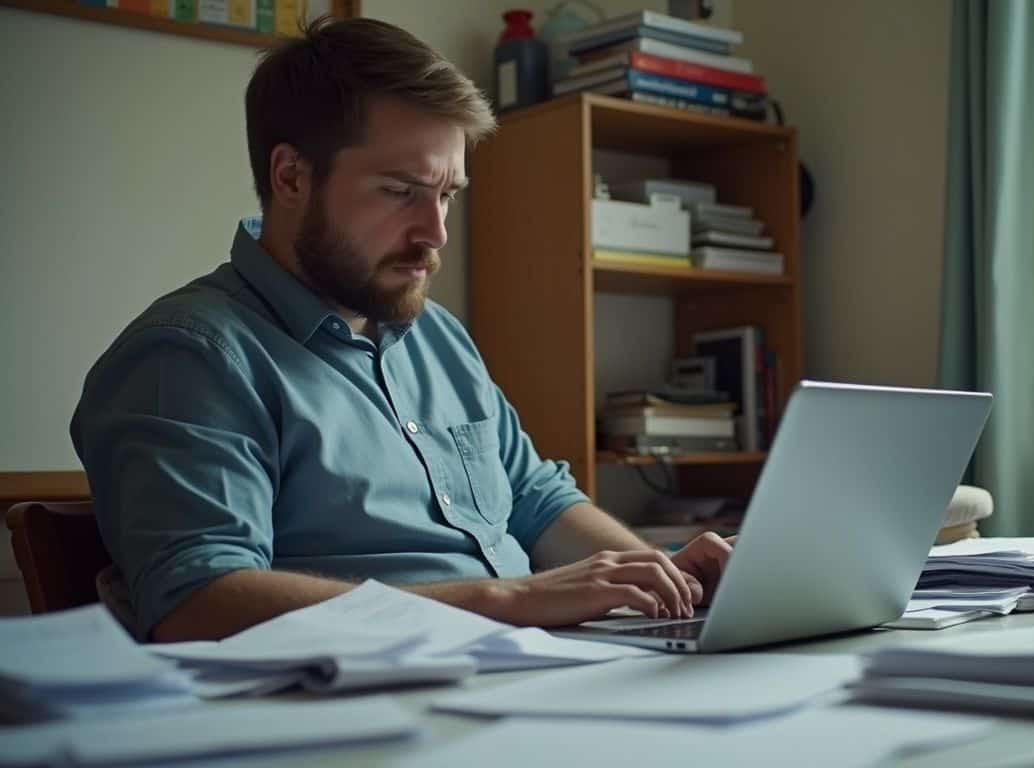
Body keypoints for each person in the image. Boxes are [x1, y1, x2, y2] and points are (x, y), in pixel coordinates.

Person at [70, 17, 733, 643]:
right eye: (400, 191)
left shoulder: (437, 337)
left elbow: (536, 500)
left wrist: (660, 572)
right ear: (291, 176)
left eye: (447, 194)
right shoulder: (190, 358)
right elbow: (199, 604)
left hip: (535, 669)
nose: (436, 233)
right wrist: (510, 601)